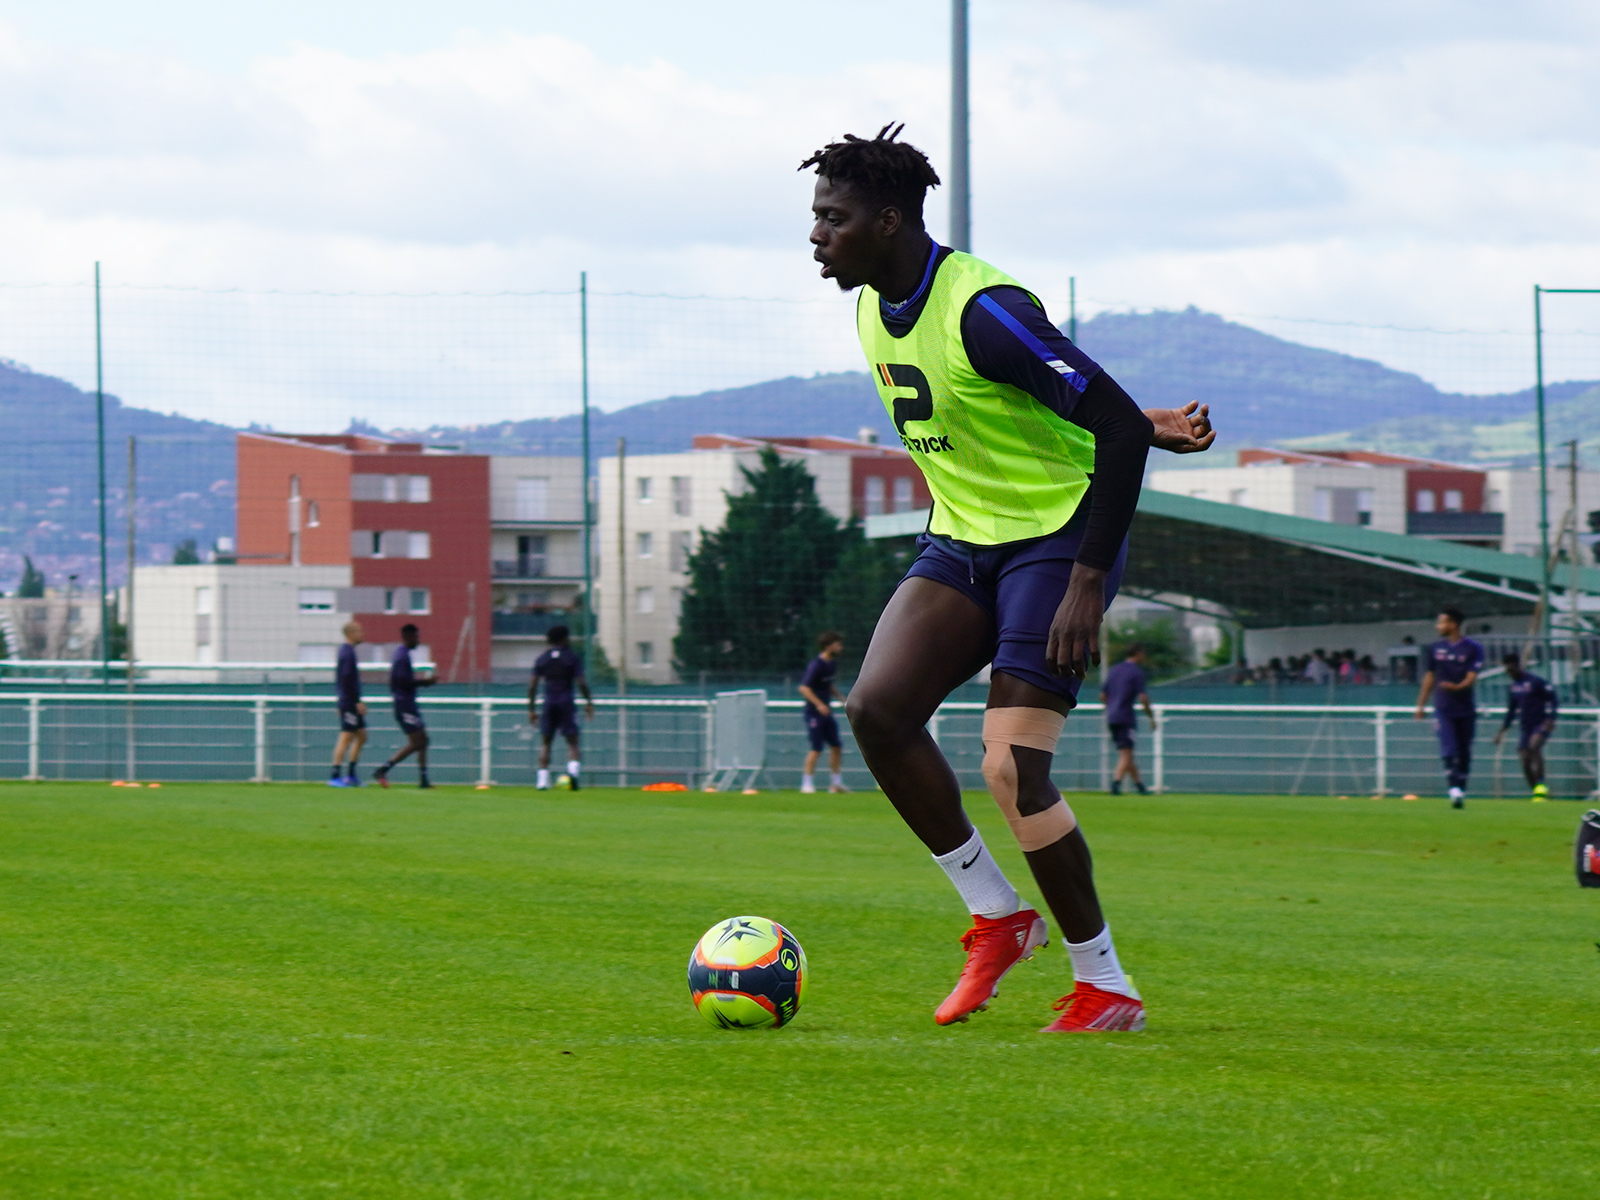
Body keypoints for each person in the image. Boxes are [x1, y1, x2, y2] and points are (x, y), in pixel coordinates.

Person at [803, 124, 1214, 1033]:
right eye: (815, 218)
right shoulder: (872, 302)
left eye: (832, 219)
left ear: (887, 218)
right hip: (963, 540)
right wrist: (1151, 418)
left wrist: (1085, 582)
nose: (816, 236)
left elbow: (1103, 426)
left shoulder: (984, 308)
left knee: (1010, 765)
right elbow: (1041, 408)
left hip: (1059, 540)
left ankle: (1106, 984)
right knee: (875, 710)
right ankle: (998, 916)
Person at [1414, 606, 1483, 808]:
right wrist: (1420, 705)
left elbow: (1471, 677)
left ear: (1453, 624)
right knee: (1449, 748)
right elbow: (1429, 677)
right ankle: (1453, 788)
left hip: (1466, 708)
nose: (1438, 626)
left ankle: (1460, 788)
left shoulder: (1473, 648)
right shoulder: (1435, 648)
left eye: (1442, 622)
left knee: (1464, 752)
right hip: (1444, 708)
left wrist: (1457, 687)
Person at [531, 625, 594, 791]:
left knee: (546, 742)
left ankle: (542, 781)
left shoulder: (542, 658)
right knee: (573, 741)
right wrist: (589, 702)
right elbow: (581, 681)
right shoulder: (571, 657)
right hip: (566, 702)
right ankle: (573, 775)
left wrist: (530, 709)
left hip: (549, 702)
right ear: (563, 639)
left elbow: (532, 685)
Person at [374, 623, 436, 789]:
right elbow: (403, 681)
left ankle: (423, 780)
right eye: (416, 637)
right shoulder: (401, 656)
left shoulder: (403, 655)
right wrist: (424, 682)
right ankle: (383, 769)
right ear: (408, 637)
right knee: (418, 742)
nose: (418, 640)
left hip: (408, 704)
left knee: (423, 740)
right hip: (404, 706)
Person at [1495, 652, 1557, 800]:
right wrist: (1501, 732)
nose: (1509, 673)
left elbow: (1553, 699)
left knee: (1534, 747)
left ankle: (1541, 785)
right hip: (1525, 727)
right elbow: (1511, 711)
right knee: (1524, 759)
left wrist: (1551, 718)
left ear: (1517, 666)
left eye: (1510, 669)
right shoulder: (1514, 687)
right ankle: (1537, 791)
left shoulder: (1535, 681)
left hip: (1540, 723)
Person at [1100, 644, 1156, 795]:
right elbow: (1143, 697)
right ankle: (1116, 784)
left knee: (1126, 752)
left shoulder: (1114, 670)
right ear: (1138, 654)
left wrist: (1110, 709)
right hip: (1125, 717)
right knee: (1126, 753)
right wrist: (1151, 717)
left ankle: (1140, 787)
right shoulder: (1136, 672)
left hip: (1111, 716)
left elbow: (1103, 695)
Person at [799, 631, 849, 794]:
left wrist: (841, 698)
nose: (840, 647)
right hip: (814, 713)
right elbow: (804, 688)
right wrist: (819, 705)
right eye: (837, 644)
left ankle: (836, 784)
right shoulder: (817, 665)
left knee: (836, 746)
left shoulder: (831, 664)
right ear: (828, 646)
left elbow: (828, 685)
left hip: (827, 713)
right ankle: (807, 783)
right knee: (816, 748)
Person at [329, 620, 367, 787]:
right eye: (359, 631)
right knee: (346, 736)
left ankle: (351, 774)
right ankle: (335, 775)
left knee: (362, 736)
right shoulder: (346, 652)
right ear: (351, 633)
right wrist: (355, 701)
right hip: (349, 702)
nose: (362, 634)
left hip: (348, 700)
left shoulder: (348, 652)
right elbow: (345, 680)